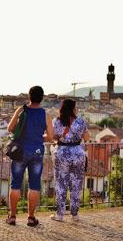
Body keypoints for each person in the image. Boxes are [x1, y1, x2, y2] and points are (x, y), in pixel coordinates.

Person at [6, 86, 54, 226]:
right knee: (34, 185)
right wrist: (39, 138)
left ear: (29, 97)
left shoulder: (21, 110)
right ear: (42, 98)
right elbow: (50, 137)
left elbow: (10, 128)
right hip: (37, 153)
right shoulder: (46, 115)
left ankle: (13, 217)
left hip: (20, 151)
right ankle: (31, 217)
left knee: (15, 184)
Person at [50, 99, 89, 222]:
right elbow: (87, 138)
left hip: (62, 154)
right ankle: (75, 214)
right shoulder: (81, 121)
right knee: (76, 184)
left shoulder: (57, 121)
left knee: (61, 184)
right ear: (73, 109)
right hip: (78, 154)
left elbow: (52, 137)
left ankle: (60, 215)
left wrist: (62, 136)